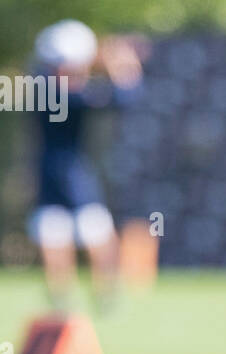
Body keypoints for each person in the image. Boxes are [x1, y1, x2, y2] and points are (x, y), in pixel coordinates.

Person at [29, 20, 143, 310]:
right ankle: (97, 295)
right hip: (71, 175)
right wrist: (122, 62)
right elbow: (126, 96)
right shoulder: (62, 93)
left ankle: (72, 298)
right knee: (86, 234)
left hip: (53, 173)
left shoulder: (44, 87)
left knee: (65, 233)